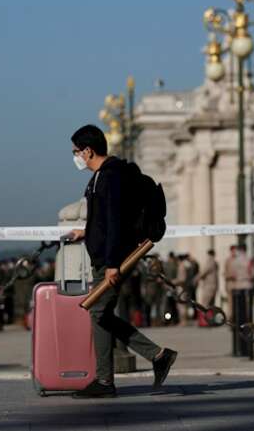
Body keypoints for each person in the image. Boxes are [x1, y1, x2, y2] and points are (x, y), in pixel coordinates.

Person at [67, 124, 176, 398]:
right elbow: (104, 219)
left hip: (112, 259)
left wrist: (114, 263)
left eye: (76, 152)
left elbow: (116, 221)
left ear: (88, 151)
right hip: (105, 256)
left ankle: (107, 380)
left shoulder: (111, 177)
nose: (75, 157)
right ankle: (155, 357)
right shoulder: (101, 176)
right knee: (100, 313)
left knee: (98, 312)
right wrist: (86, 232)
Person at [197, 249, 219, 315]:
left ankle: (205, 320)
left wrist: (195, 279)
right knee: (211, 304)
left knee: (205, 304)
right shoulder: (215, 262)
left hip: (209, 286)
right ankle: (210, 319)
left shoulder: (210, 262)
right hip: (213, 285)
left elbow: (203, 272)